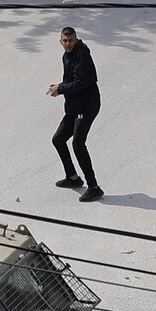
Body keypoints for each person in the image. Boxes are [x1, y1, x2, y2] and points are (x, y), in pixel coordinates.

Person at [49, 27, 104, 203]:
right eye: (64, 41)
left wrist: (62, 88)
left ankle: (94, 188)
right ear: (60, 41)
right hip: (74, 106)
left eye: (70, 40)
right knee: (58, 139)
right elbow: (70, 79)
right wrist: (59, 86)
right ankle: (73, 178)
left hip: (87, 106)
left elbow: (81, 83)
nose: (67, 44)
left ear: (76, 39)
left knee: (78, 143)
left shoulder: (82, 56)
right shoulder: (67, 56)